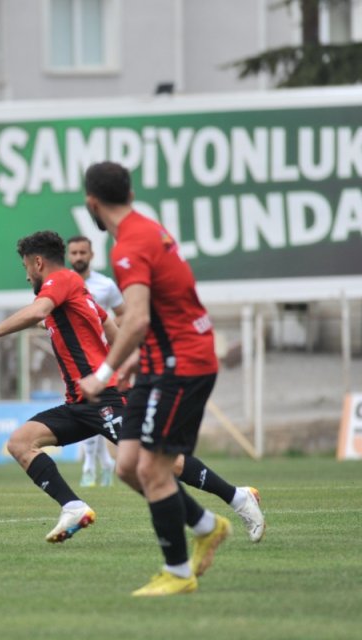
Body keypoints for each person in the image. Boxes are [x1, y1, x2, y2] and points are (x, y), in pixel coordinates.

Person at [0, 231, 234, 570]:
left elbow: (38, 311)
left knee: (159, 463)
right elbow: (107, 325)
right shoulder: (76, 287)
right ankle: (73, 507)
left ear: (38, 262)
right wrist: (124, 366)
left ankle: (235, 497)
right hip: (79, 403)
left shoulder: (57, 283)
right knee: (20, 442)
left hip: (103, 398)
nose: (26, 274)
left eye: (26, 267)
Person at [77, 161, 236, 596]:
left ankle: (179, 574)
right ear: (128, 193)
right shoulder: (145, 229)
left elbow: (139, 318)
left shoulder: (129, 245)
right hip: (158, 361)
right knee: (127, 466)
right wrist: (133, 363)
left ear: (93, 203)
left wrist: (104, 374)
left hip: (182, 364)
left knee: (153, 468)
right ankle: (206, 525)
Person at [66, 235, 123, 488]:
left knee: (93, 404)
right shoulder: (61, 284)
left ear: (91, 255)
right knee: (88, 406)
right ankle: (103, 462)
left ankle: (89, 465)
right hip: (72, 355)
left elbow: (123, 314)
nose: (78, 257)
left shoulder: (105, 285)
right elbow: (42, 314)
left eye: (82, 252)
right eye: (74, 253)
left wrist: (106, 332)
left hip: (100, 356)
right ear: (68, 256)